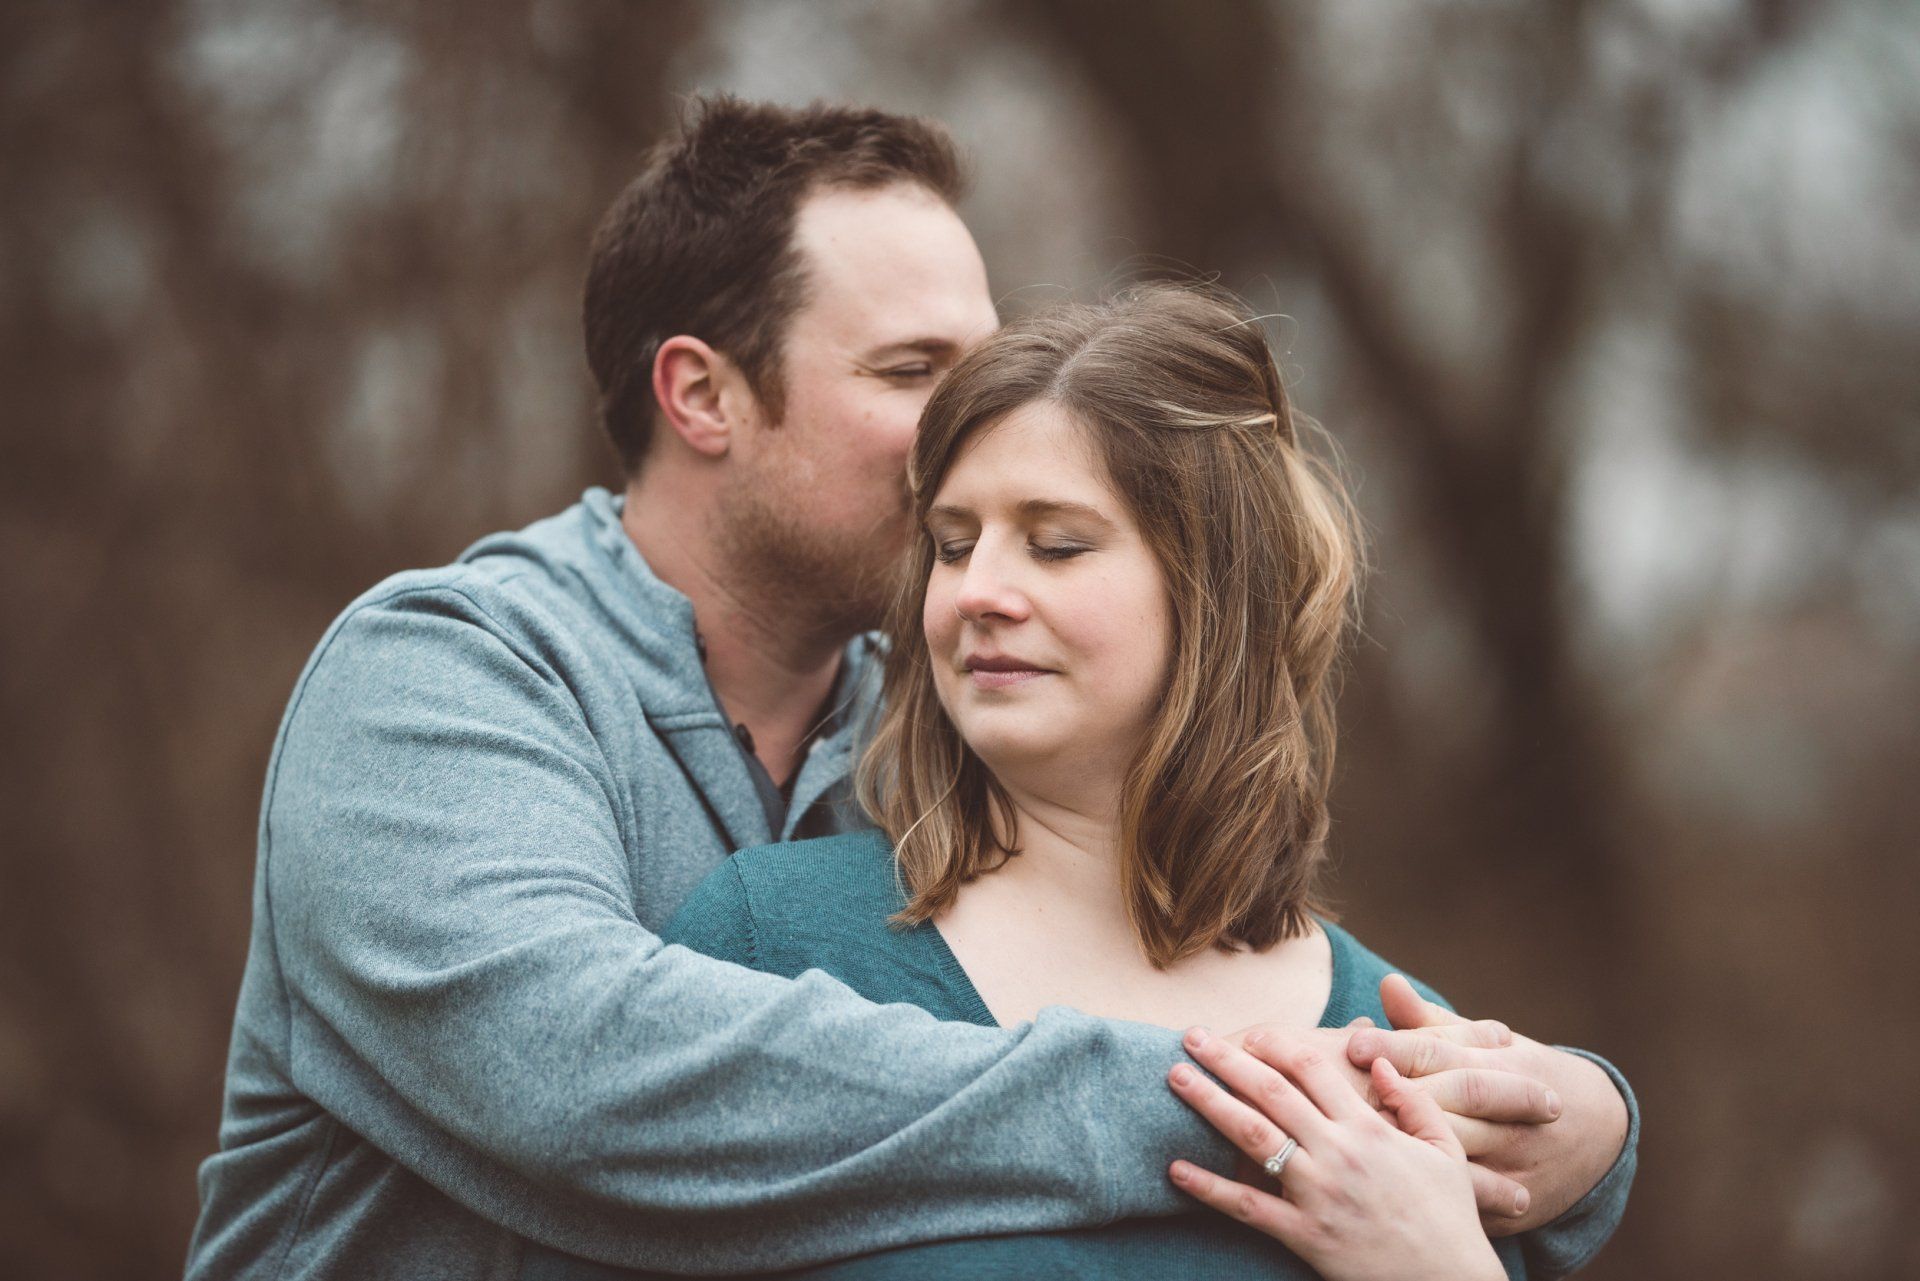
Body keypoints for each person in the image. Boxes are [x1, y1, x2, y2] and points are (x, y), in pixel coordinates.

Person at [186, 97, 1636, 1281]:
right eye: (913, 369)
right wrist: (1246, 1109)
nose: (976, 421)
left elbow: (1316, 1001)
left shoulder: (939, 718)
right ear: (702, 397)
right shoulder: (443, 681)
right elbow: (593, 1086)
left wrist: (1587, 1131)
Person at [541, 282, 1629, 1280]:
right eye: (954, 545)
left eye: (1057, 547)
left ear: (1212, 595)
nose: (979, 593)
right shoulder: (774, 944)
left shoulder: (1397, 1046)